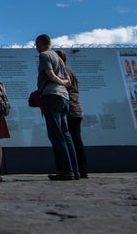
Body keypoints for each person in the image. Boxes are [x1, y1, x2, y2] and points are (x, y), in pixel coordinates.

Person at [35, 34, 78, 181]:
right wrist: (62, 83)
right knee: (66, 135)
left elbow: (50, 75)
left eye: (36, 44)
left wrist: (57, 81)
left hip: (51, 95)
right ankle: (74, 171)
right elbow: (68, 81)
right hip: (64, 97)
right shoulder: (59, 57)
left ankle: (65, 171)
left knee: (56, 135)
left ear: (39, 43)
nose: (36, 47)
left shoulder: (44, 55)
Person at [56, 49, 88, 179]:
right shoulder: (71, 72)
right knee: (76, 140)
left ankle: (69, 170)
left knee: (66, 139)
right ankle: (82, 170)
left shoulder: (62, 72)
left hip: (68, 108)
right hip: (76, 109)